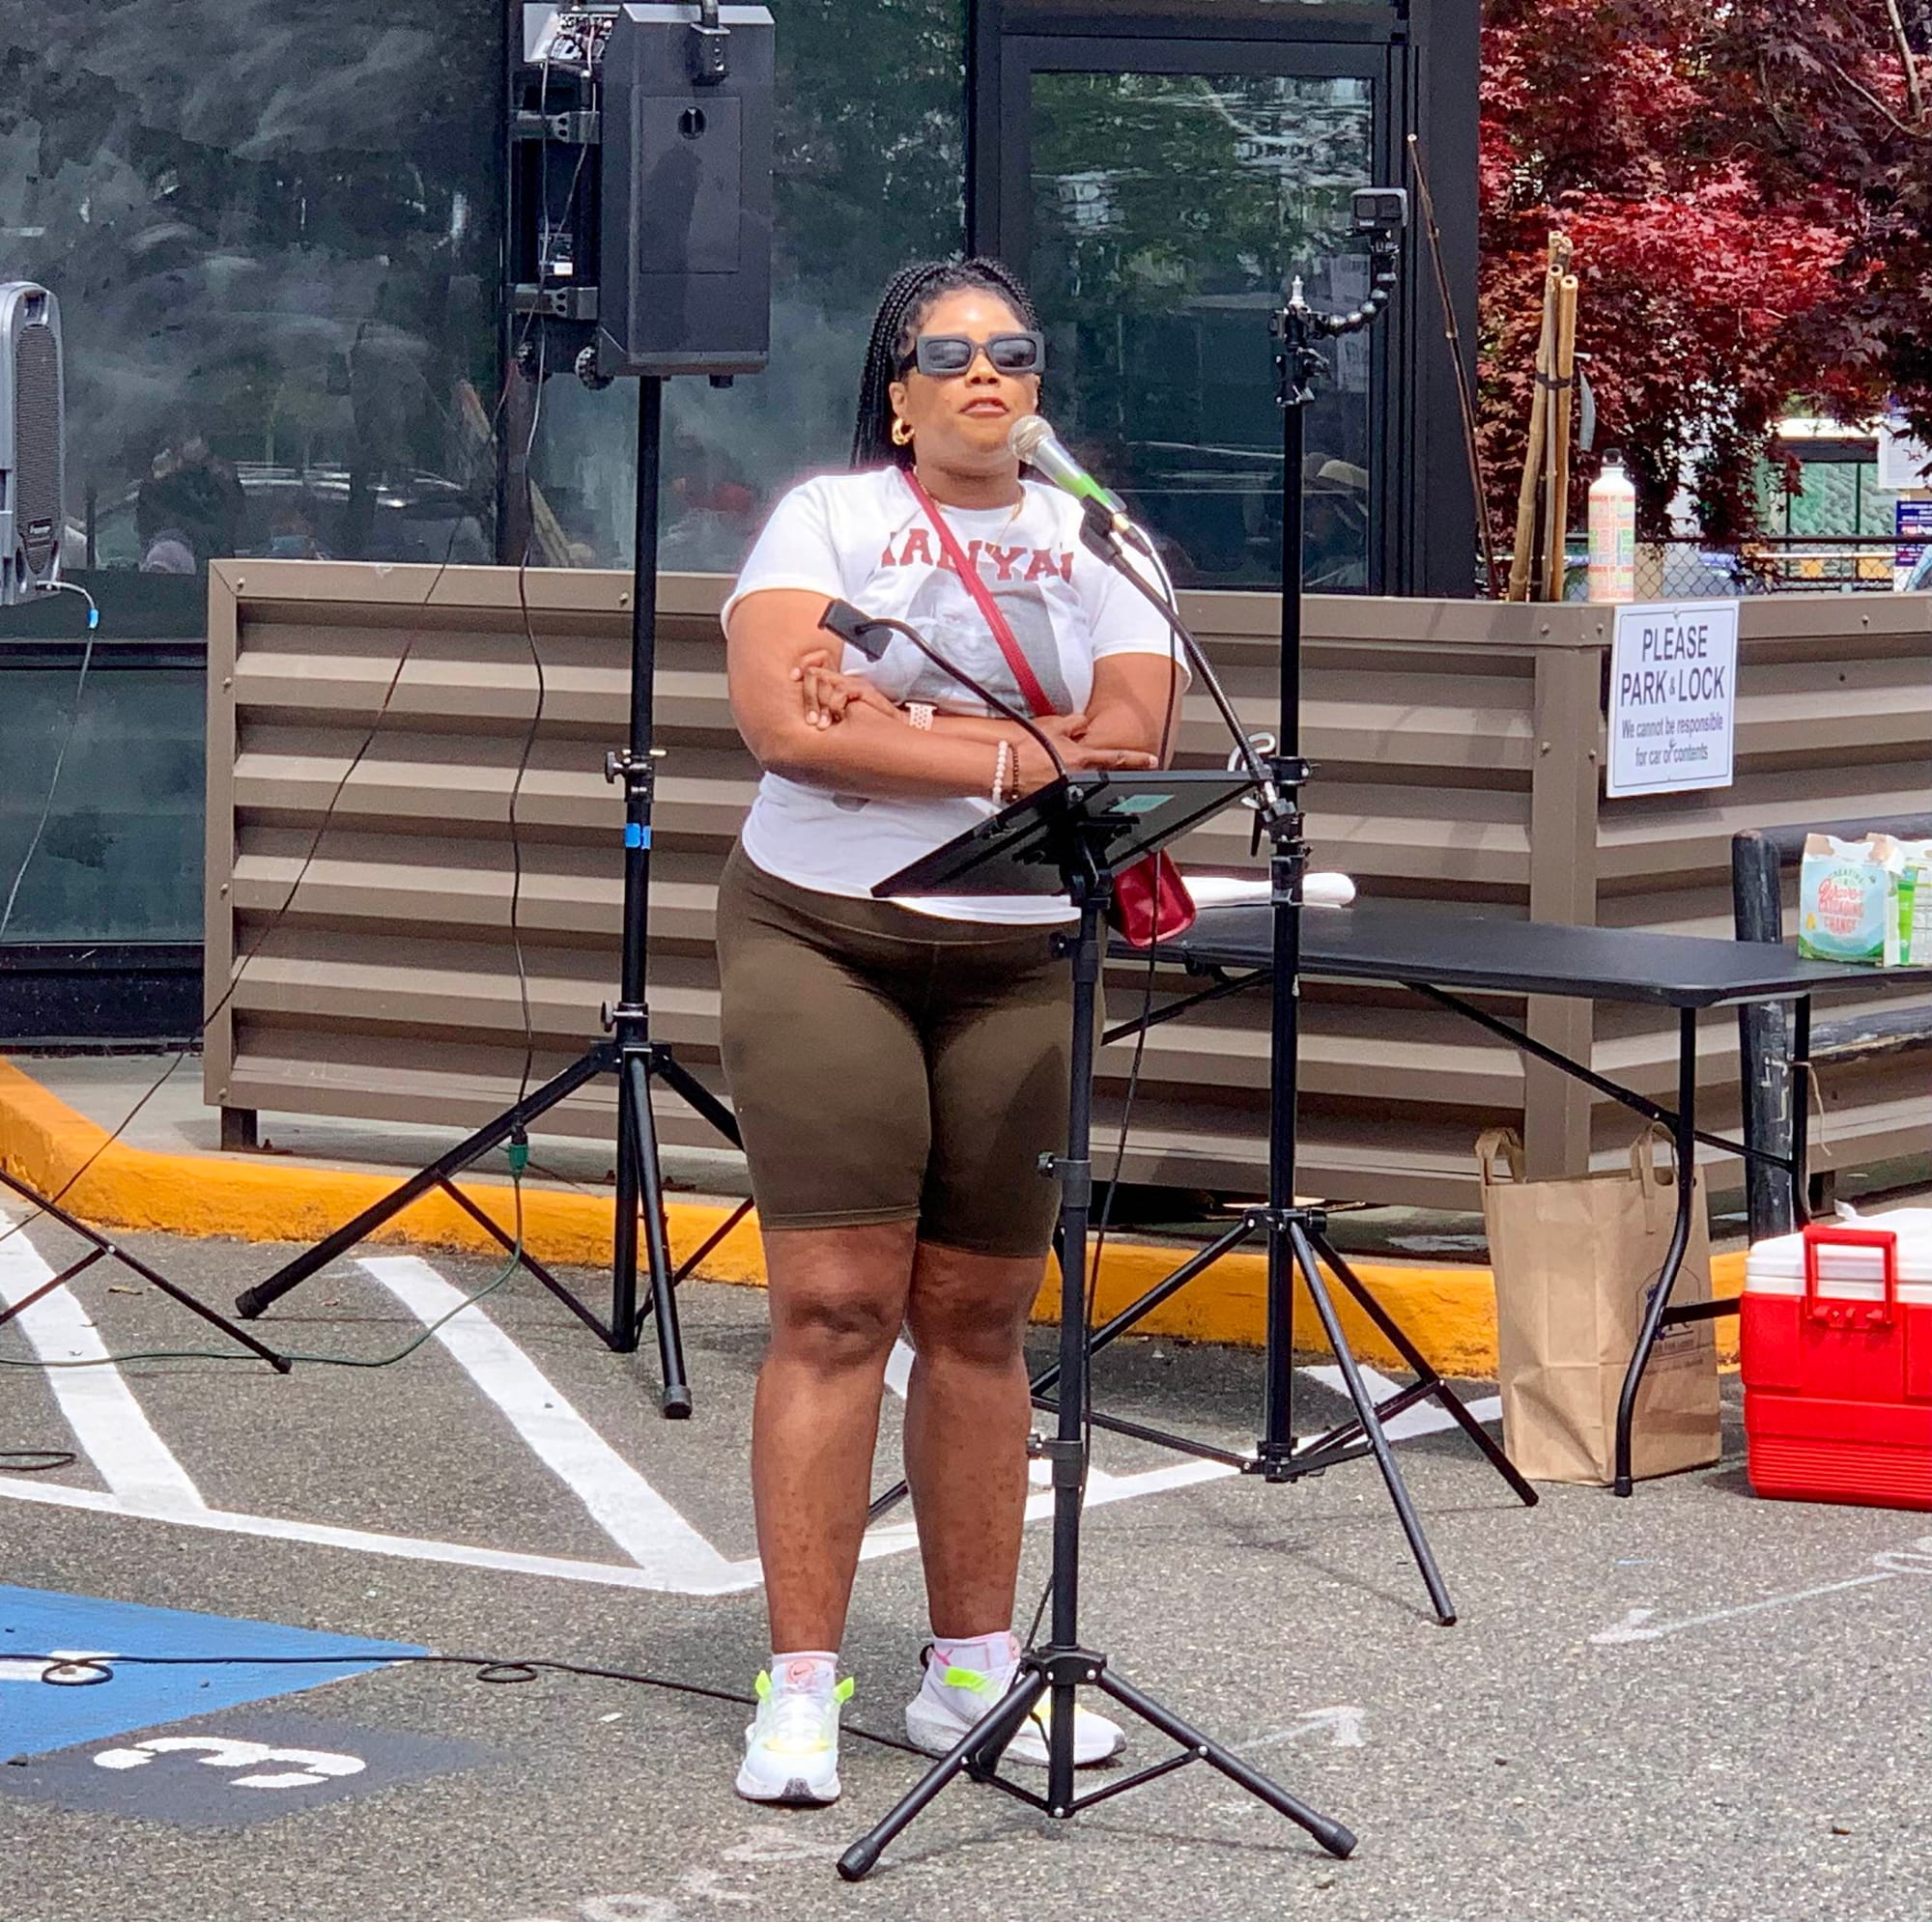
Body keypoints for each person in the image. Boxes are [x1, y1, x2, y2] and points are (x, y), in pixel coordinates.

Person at [719, 257, 1185, 1805]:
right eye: (949, 354)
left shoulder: (1102, 538)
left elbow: (1133, 740)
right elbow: (789, 727)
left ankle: (975, 1668)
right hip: (824, 935)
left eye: (1013, 352)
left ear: (1038, 385)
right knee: (840, 1304)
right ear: (901, 393)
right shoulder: (829, 521)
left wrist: (904, 739)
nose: (986, 375)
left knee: (981, 1319)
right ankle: (797, 1686)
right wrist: (1017, 756)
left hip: (1016, 956)